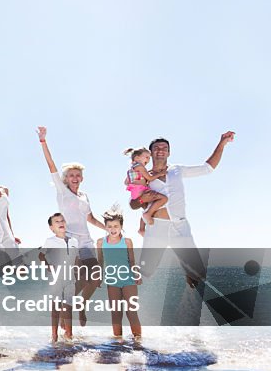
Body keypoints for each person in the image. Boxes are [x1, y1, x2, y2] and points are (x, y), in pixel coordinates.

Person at [133, 132, 235, 294]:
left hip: (180, 226)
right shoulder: (143, 175)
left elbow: (207, 168)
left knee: (197, 273)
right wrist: (144, 200)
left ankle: (197, 308)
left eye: (165, 148)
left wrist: (222, 143)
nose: (161, 150)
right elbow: (133, 203)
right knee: (145, 271)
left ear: (169, 153)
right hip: (156, 227)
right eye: (157, 148)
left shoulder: (177, 170)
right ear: (150, 153)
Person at [36, 126, 106, 325]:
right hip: (69, 243)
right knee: (78, 278)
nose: (74, 178)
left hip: (86, 241)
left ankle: (79, 304)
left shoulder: (85, 196)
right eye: (71, 175)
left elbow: (91, 219)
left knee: (96, 276)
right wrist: (43, 141)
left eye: (78, 175)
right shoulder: (62, 191)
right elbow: (51, 165)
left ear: (82, 178)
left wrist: (107, 229)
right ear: (66, 178)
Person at [96, 208, 141, 339]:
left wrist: (136, 274)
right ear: (105, 227)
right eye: (109, 226)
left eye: (116, 226)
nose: (113, 229)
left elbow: (132, 261)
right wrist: (99, 277)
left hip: (128, 280)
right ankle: (117, 342)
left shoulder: (127, 242)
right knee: (116, 313)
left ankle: (138, 341)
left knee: (131, 312)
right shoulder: (100, 242)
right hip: (112, 281)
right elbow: (100, 261)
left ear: (121, 226)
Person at [40, 212, 78, 342]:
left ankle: (69, 334)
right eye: (57, 222)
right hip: (56, 277)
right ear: (51, 228)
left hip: (70, 278)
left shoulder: (74, 241)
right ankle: (54, 335)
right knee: (56, 306)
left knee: (68, 306)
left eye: (62, 220)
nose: (61, 223)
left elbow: (76, 258)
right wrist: (48, 267)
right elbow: (41, 255)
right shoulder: (50, 241)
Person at [123, 147, 168, 225]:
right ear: (137, 158)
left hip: (135, 193)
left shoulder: (131, 169)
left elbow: (126, 182)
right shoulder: (140, 167)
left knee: (148, 206)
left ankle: (144, 224)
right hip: (141, 191)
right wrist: (160, 174)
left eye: (149, 158)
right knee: (163, 198)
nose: (148, 160)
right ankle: (148, 214)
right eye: (146, 157)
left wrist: (136, 182)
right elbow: (150, 178)